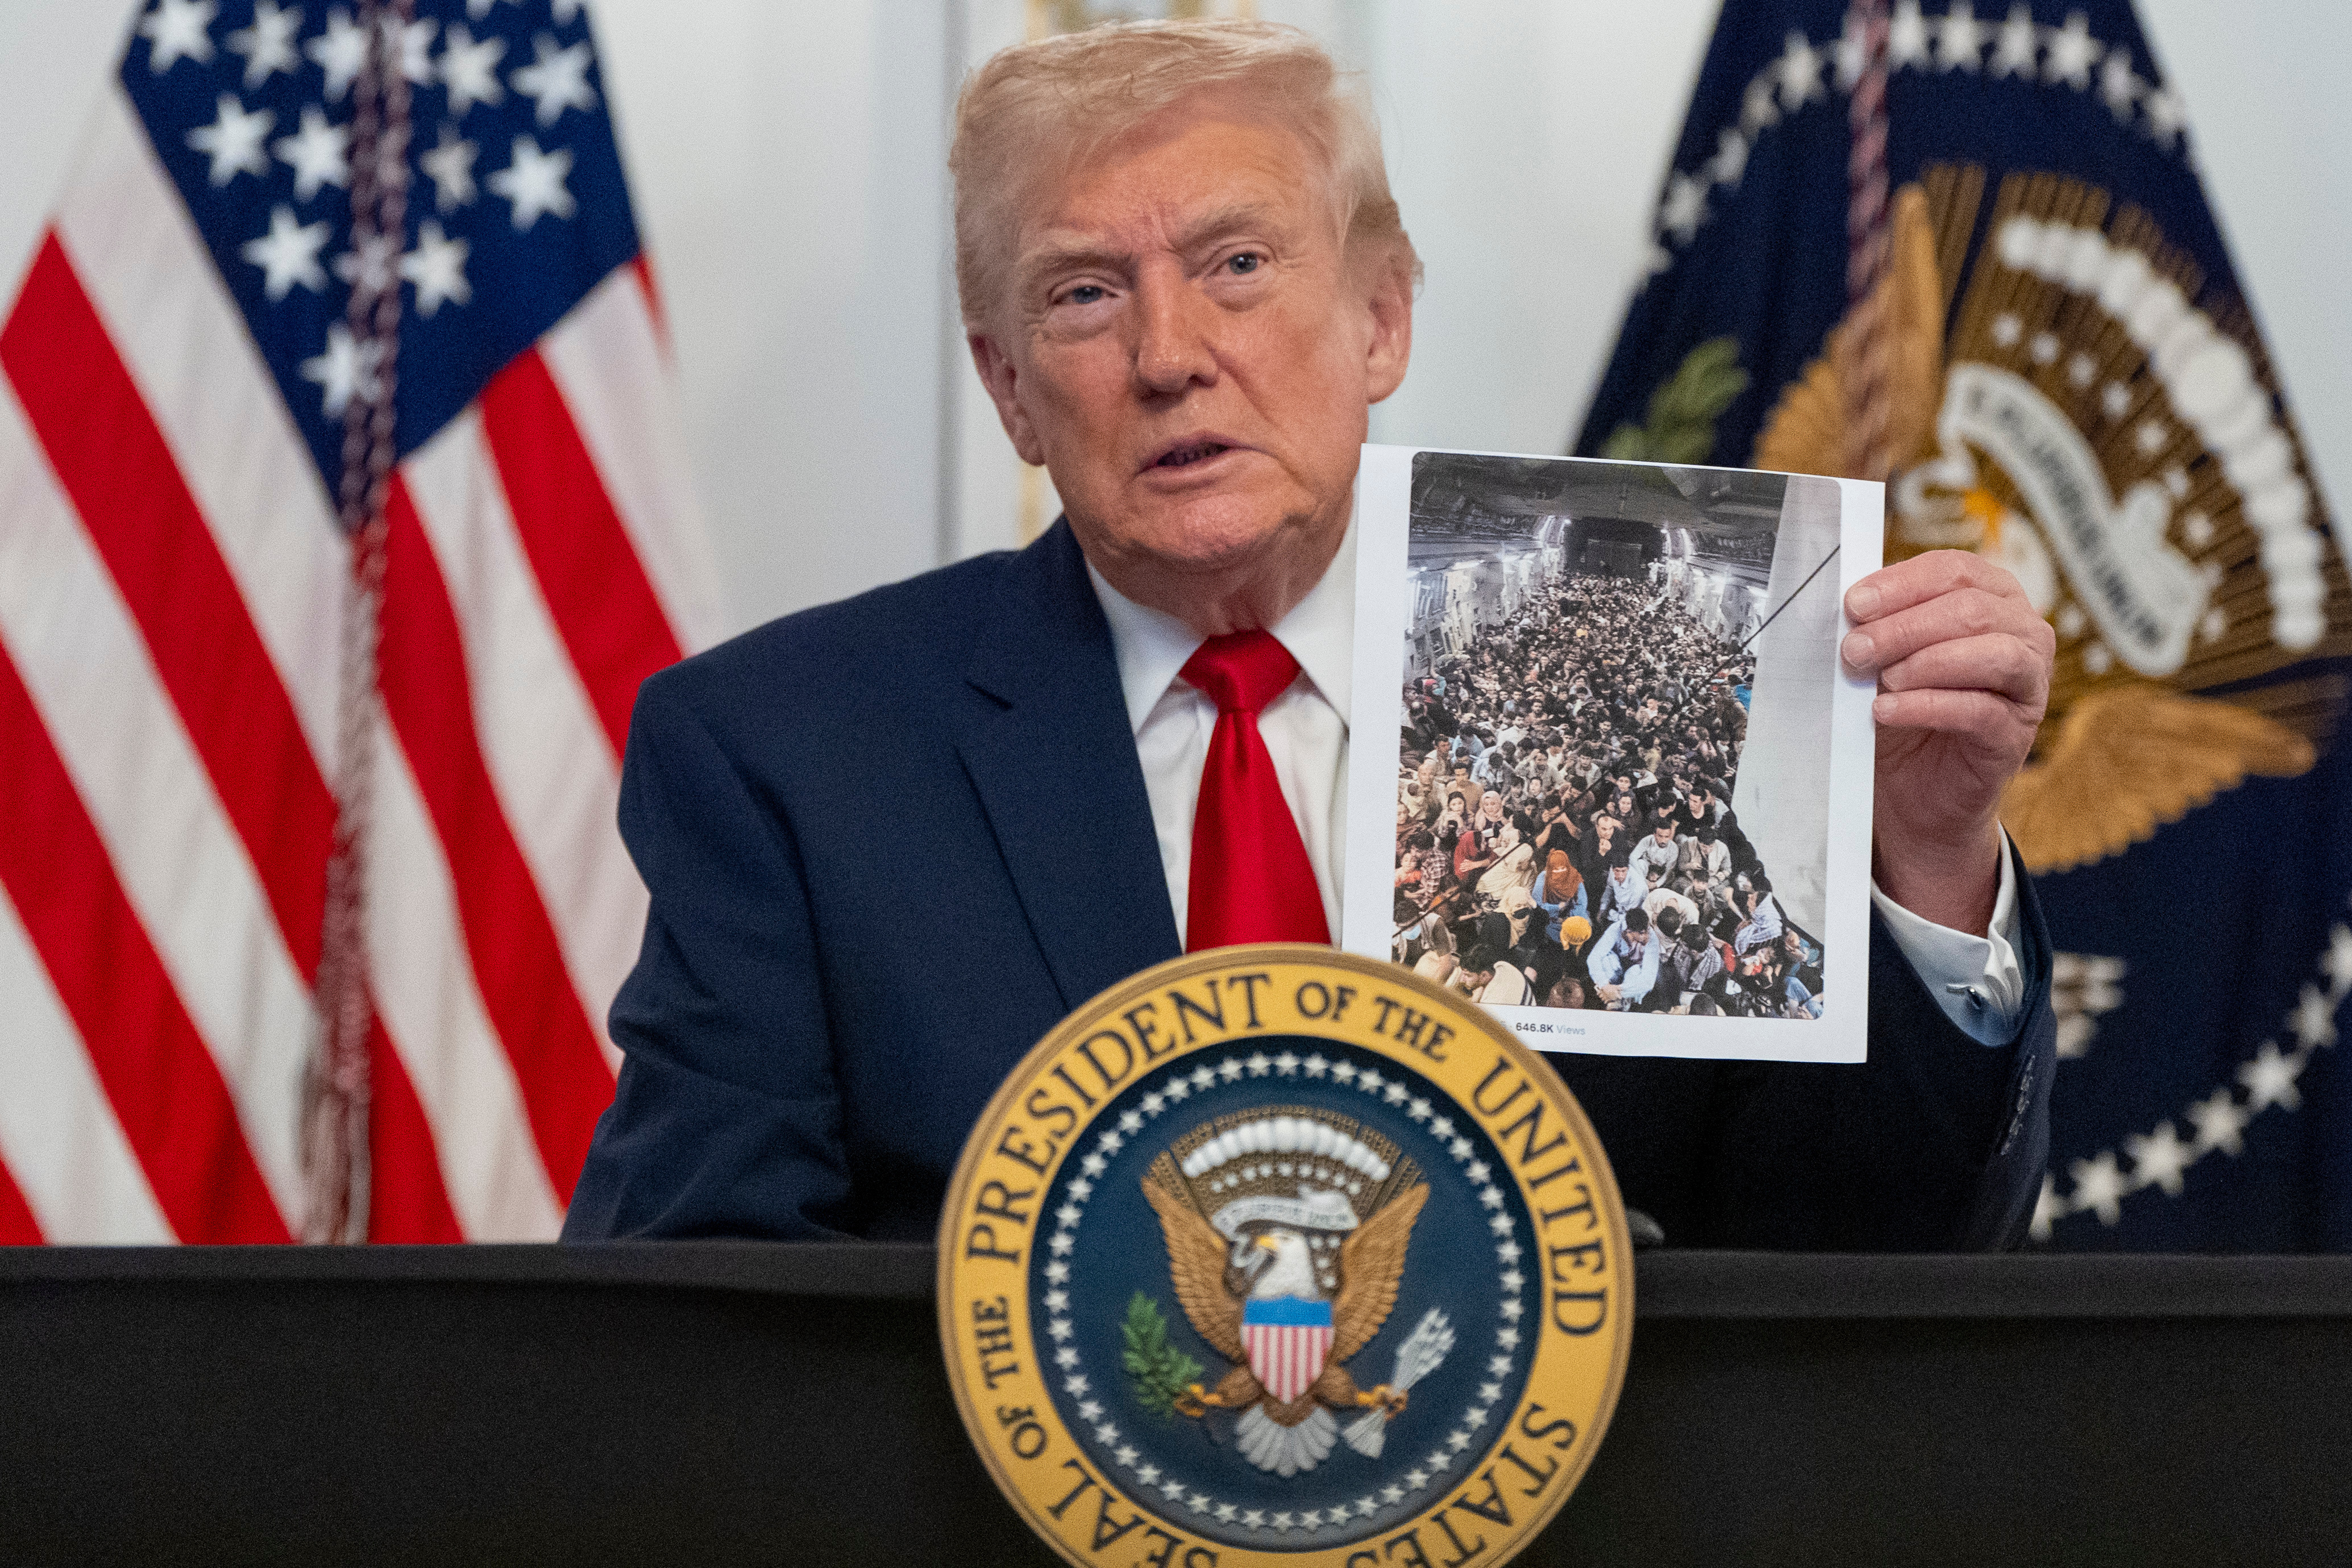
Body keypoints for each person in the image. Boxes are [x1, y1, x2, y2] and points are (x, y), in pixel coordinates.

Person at [564, 19, 2058, 1253]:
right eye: (1083, 296)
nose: (1168, 358)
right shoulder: (786, 750)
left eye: (1236, 265)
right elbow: (703, 1323)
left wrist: (1923, 866)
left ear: (1380, 319)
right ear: (1008, 389)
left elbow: (1870, 1276)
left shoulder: (1644, 682)